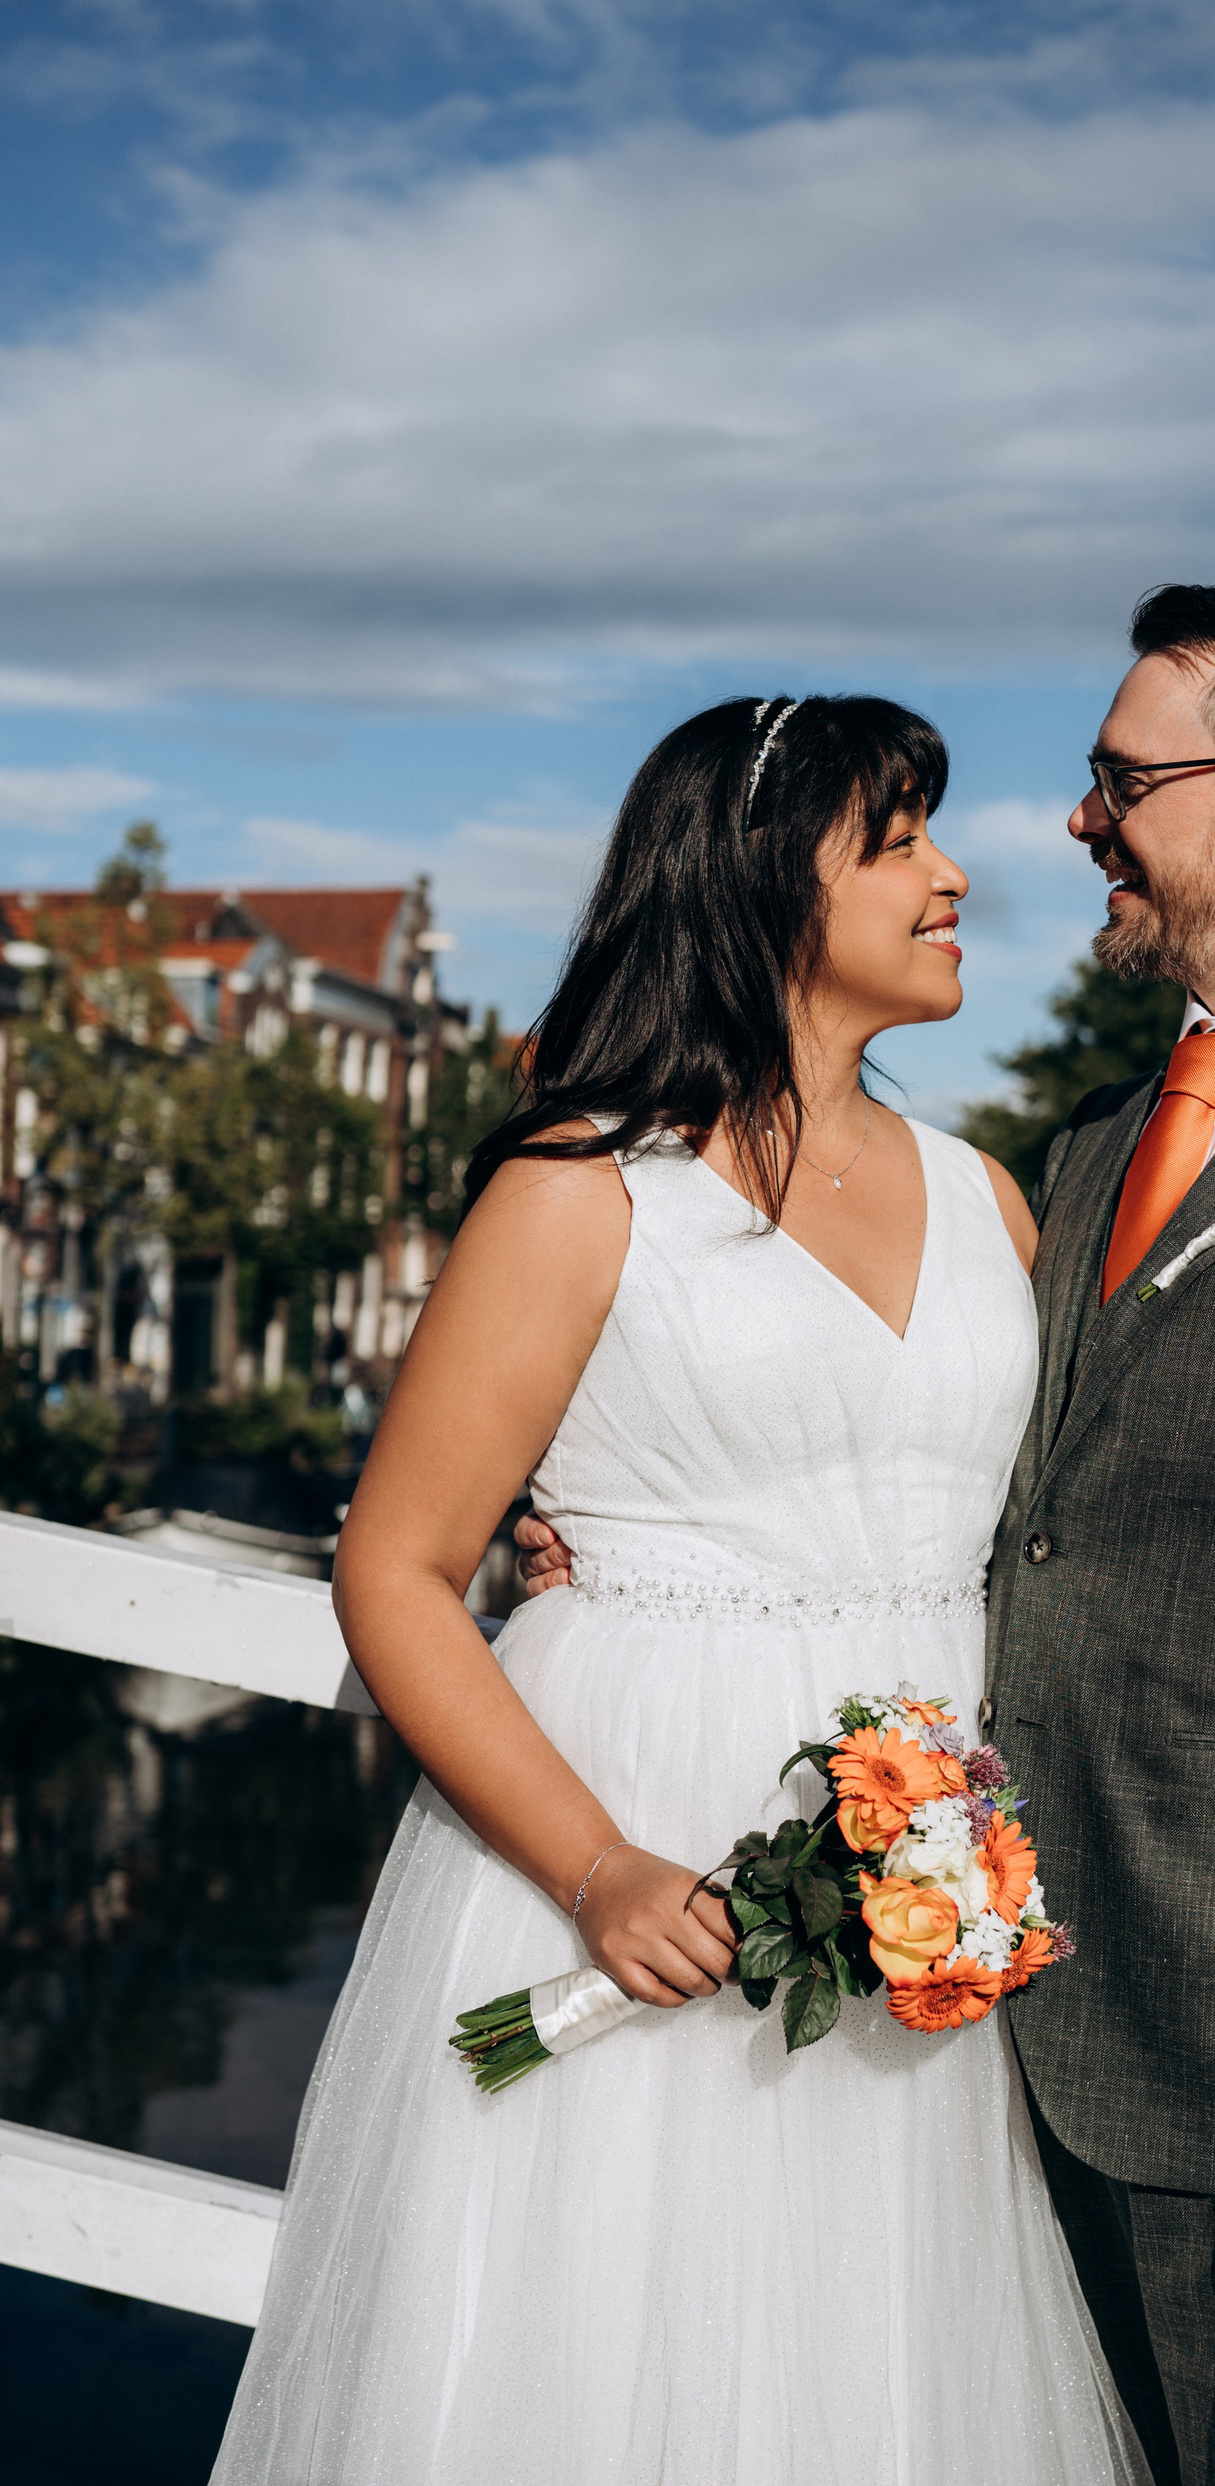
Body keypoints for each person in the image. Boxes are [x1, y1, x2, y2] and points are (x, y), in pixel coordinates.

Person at [525, 585, 1215, 2486]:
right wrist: (625, 1536)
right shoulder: (1093, 1151)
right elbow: (991, 1498)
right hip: (1002, 2057)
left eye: (1124, 780)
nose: (1075, 819)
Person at [210, 695, 1148, 2486]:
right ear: (762, 881)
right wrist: (596, 1866)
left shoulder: (991, 1200)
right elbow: (395, 1565)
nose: (957, 875)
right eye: (900, 840)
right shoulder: (586, 1186)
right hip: (638, 1838)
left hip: (920, 1892)